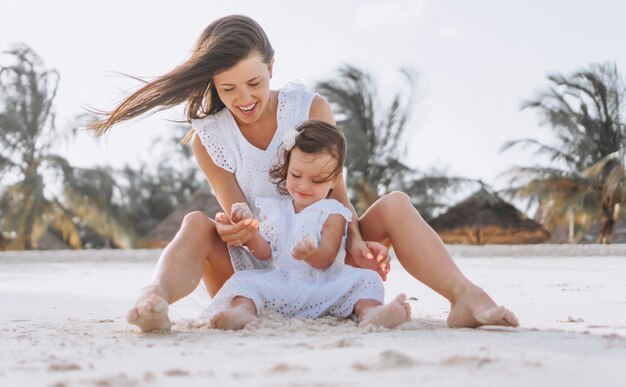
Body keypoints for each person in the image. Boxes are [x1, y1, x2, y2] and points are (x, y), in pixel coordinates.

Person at [90, 15, 518, 332]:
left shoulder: (308, 109)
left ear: (272, 67)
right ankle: (154, 300)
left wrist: (353, 238)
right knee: (195, 223)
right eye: (228, 89)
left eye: (254, 83)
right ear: (213, 85)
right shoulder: (209, 138)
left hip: (326, 250)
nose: (244, 98)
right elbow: (236, 205)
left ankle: (465, 297)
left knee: (396, 205)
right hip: (260, 265)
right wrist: (237, 223)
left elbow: (337, 191)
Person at [203, 120, 411, 330]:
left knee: (367, 279)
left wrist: (311, 253)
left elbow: (327, 258)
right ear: (287, 169)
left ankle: (371, 312)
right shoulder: (275, 210)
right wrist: (249, 230)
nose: (304, 186)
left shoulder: (333, 212)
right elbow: (264, 252)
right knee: (244, 281)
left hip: (325, 284)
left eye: (317, 180)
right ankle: (242, 312)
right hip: (282, 284)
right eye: (296, 175)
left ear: (334, 180)